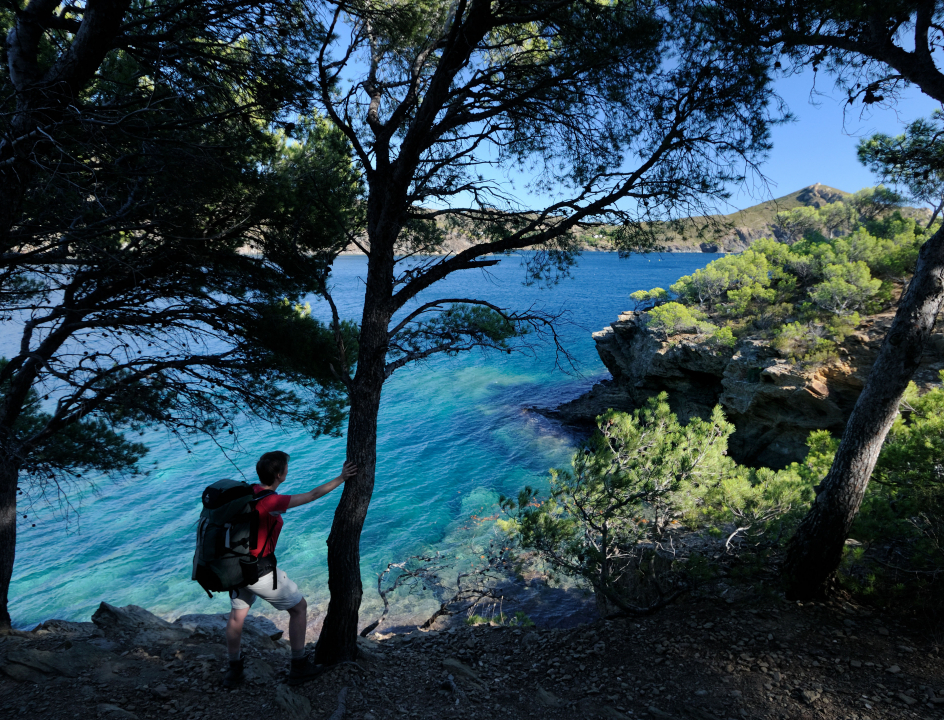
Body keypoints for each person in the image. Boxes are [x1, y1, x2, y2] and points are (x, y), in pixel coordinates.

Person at [223, 451, 356, 688]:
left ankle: (234, 670)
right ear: (279, 474)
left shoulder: (249, 492)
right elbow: (313, 495)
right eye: (286, 468)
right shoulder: (271, 501)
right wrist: (342, 477)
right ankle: (299, 666)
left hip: (235, 568)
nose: (287, 470)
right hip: (257, 570)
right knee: (299, 608)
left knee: (237, 616)